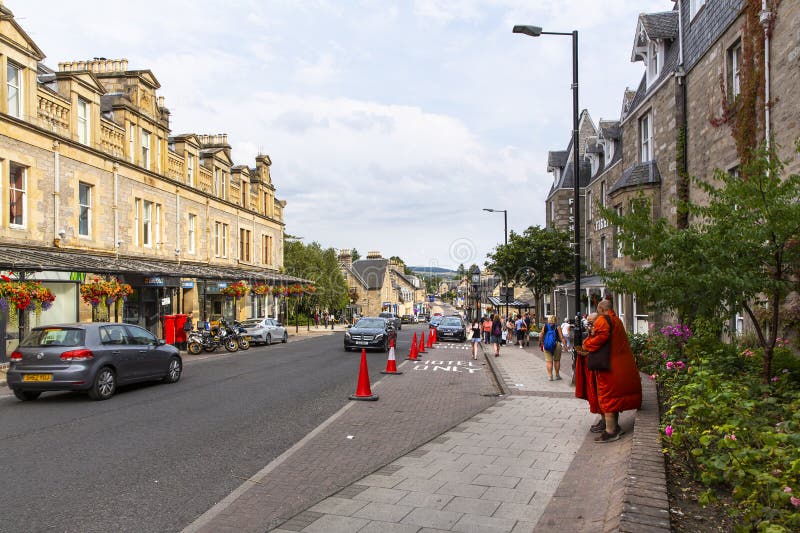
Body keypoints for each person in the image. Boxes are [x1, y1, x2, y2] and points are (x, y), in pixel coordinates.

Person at [577, 299, 642, 443]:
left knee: (607, 397)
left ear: (600, 309)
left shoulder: (603, 320)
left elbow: (598, 339)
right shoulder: (617, 320)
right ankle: (615, 427)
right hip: (621, 365)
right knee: (615, 397)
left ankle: (611, 431)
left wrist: (585, 343)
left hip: (609, 366)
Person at [540, 315, 565, 380]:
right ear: (555, 320)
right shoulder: (558, 327)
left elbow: (541, 335)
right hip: (557, 345)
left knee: (549, 361)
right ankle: (557, 375)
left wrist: (541, 342)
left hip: (547, 345)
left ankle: (550, 376)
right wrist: (565, 346)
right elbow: (561, 337)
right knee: (557, 360)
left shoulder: (545, 326)